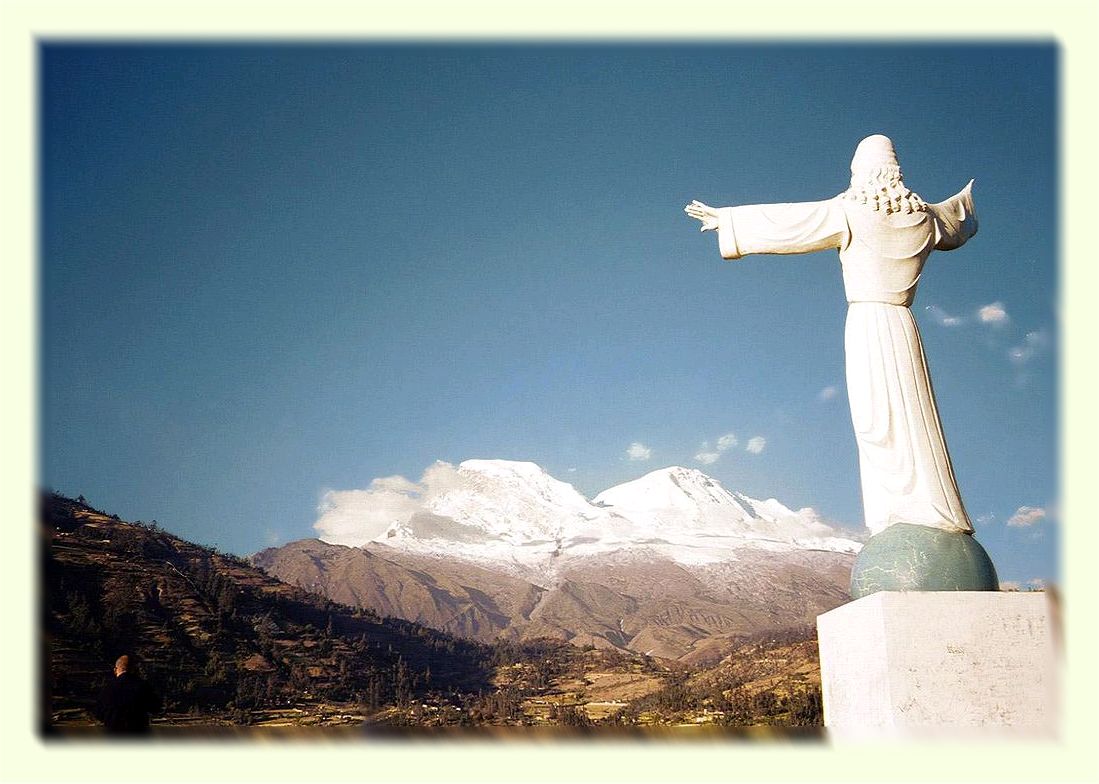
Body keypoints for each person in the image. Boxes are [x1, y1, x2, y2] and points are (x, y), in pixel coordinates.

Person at [684, 135, 977, 538]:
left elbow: (794, 223)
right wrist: (967, 204)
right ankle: (929, 507)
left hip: (868, 325)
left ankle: (898, 516)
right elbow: (958, 221)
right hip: (903, 325)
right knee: (913, 410)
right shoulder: (924, 219)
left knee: (877, 419)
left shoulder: (851, 212)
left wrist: (729, 220)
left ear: (861, 172)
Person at [94, 654, 162, 735]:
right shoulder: (143, 685)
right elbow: (156, 708)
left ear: (115, 670)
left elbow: (98, 713)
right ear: (133, 669)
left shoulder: (107, 687)